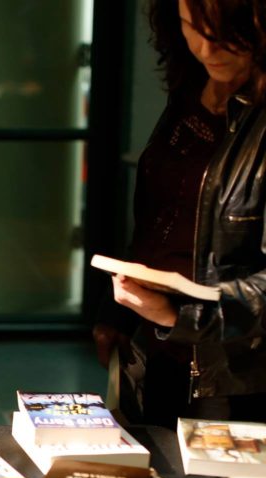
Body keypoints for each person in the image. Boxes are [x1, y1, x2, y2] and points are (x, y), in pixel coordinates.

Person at [94, 0, 266, 428]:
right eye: (193, 28)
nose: (208, 49)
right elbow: (163, 214)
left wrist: (182, 318)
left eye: (227, 33)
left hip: (239, 371)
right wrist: (118, 313)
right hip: (160, 347)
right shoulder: (191, 91)